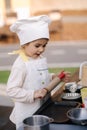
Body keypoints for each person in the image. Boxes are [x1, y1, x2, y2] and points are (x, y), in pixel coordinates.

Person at [7, 15, 70, 130]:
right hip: (27, 114)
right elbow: (11, 90)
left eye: (44, 45)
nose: (41, 49)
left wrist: (53, 77)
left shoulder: (39, 58)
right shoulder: (20, 65)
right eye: (37, 46)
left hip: (43, 108)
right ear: (24, 44)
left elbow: (39, 76)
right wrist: (33, 94)